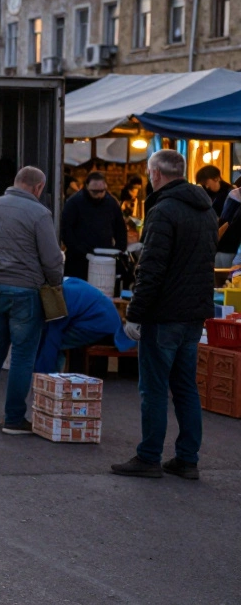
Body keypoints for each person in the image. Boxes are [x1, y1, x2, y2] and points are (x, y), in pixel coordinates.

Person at [113, 149, 214, 480]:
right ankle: (187, 458)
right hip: (193, 314)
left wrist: (135, 314)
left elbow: (151, 269)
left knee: (154, 388)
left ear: (155, 174)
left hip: (164, 314)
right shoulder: (205, 210)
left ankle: (149, 456)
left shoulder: (162, 211)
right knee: (185, 387)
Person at [0, 166, 64, 434]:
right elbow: (51, 258)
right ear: (38, 187)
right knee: (23, 356)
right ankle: (14, 419)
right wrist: (55, 283)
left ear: (15, 182)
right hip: (26, 290)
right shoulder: (39, 213)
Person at [59, 171, 127, 278]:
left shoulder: (111, 203)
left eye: (102, 191)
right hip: (78, 260)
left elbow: (120, 229)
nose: (99, 195)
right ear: (87, 187)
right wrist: (79, 251)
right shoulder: (74, 203)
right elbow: (66, 231)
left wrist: (119, 250)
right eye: (95, 192)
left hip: (104, 258)